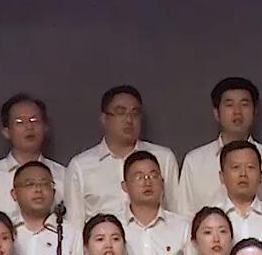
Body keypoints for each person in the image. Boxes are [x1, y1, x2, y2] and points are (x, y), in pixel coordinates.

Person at [65, 85, 181, 232]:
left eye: (135, 113)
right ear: (104, 119)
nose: (129, 119)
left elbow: (176, 212)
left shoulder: (163, 158)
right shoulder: (81, 166)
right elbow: (74, 227)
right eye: (121, 112)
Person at [179, 77, 262, 212]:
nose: (237, 112)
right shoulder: (194, 161)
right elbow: (183, 216)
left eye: (244, 104)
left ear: (255, 111)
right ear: (216, 113)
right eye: (229, 105)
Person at [0, 93, 67, 232]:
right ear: (6, 131)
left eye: (34, 120)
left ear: (45, 127)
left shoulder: (63, 175)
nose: (29, 127)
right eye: (20, 122)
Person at [118, 150, 191, 255]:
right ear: (125, 186)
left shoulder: (183, 226)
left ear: (162, 183)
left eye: (153, 176)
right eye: (139, 177)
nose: (147, 182)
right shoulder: (114, 228)